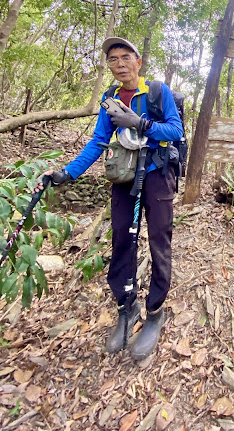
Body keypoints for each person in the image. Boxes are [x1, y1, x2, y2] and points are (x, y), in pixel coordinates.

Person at [36, 37, 183, 360]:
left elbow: (176, 130)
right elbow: (98, 141)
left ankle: (155, 311)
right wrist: (67, 173)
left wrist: (141, 124)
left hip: (158, 173)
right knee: (121, 239)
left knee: (159, 240)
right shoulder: (110, 99)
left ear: (138, 61)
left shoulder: (158, 92)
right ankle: (125, 307)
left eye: (125, 57)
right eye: (113, 59)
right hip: (126, 175)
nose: (119, 64)